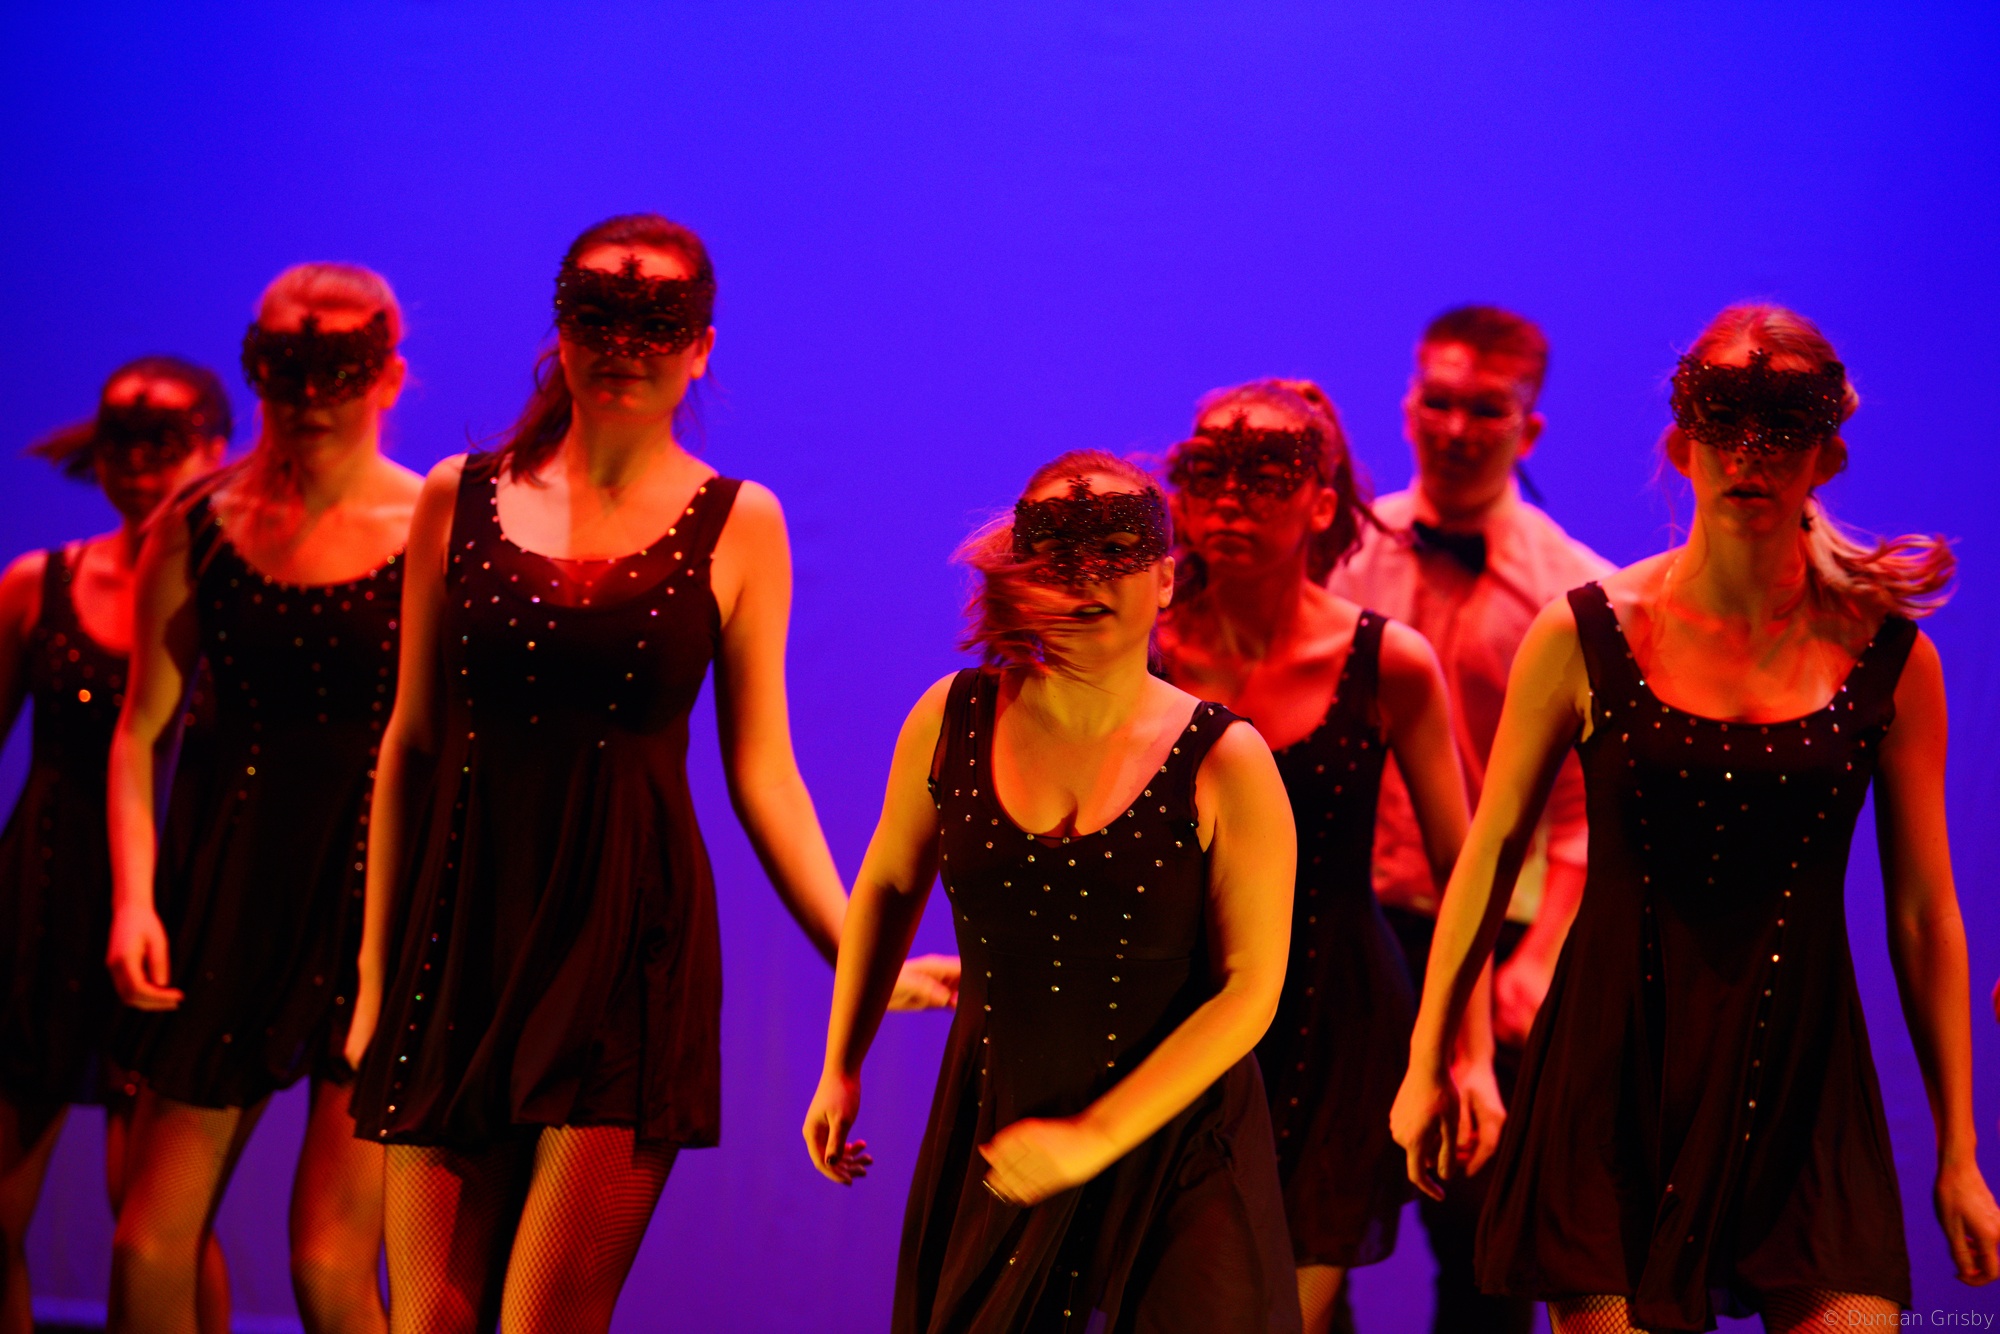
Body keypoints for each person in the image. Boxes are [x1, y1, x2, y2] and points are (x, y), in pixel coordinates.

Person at [345, 213, 955, 1334]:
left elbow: (763, 769)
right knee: (427, 1317)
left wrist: (855, 953)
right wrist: (377, 978)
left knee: (544, 1318)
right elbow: (413, 741)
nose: (626, 344)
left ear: (702, 346)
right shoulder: (454, 495)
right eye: (599, 315)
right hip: (463, 934)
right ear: (560, 332)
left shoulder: (740, 522)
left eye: (657, 321)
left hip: (627, 941)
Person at [1391, 304, 2000, 1331]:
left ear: (1827, 453)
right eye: (1723, 422)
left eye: (1780, 427)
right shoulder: (1585, 631)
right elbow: (1488, 855)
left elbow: (1924, 915)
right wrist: (1429, 1062)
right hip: (1611, 1074)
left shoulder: (1891, 657)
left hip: (1799, 1074)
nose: (1747, 454)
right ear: (1681, 445)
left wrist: (1959, 1152)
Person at [805, 451, 1302, 1333]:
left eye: (1117, 552)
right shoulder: (952, 718)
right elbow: (887, 883)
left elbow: (1250, 991)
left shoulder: (1227, 760)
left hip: (1179, 1146)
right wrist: (842, 1062)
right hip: (1003, 1124)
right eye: (1061, 557)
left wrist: (1094, 1138)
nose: (1089, 580)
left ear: (1165, 579)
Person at [107, 264, 420, 1334]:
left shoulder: (432, 523)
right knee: (149, 1238)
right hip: (232, 891)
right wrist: (134, 900)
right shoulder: (200, 523)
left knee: (329, 1261)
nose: (311, 394)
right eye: (286, 366)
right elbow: (139, 729)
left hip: (376, 901)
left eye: (340, 367)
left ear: (388, 376)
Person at [1157, 380, 1475, 1333]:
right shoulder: (1140, 647)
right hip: (1173, 1013)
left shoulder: (1388, 662)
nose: (1229, 498)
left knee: (1284, 1307)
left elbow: (1467, 869)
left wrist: (1464, 1054)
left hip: (1334, 1019)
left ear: (1323, 502)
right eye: (1206, 470)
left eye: (1265, 475)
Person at [1328, 304, 1611, 1332]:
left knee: (1488, 1253)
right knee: (1312, 1226)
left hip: (1497, 941)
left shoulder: (1569, 588)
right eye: (1438, 403)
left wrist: (1538, 955)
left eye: (1484, 410)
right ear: (1408, 406)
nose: (1454, 429)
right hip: (1350, 929)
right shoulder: (1344, 556)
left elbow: (1589, 804)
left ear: (1527, 430)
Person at [0, 361, 229, 1334]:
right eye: (121, 443)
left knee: (155, 1219)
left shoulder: (237, 597)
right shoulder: (36, 585)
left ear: (215, 450)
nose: (138, 467)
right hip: (41, 905)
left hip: (175, 918)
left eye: (164, 444)